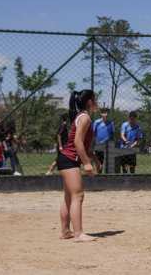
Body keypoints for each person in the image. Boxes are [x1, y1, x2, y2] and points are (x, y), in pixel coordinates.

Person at [57, 90, 101, 242]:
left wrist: (94, 159)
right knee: (78, 195)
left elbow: (85, 145)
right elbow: (77, 142)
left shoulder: (81, 117)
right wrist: (87, 164)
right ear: (90, 101)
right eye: (95, 99)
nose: (97, 102)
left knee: (69, 197)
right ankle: (78, 233)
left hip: (66, 159)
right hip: (69, 160)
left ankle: (65, 231)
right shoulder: (85, 118)